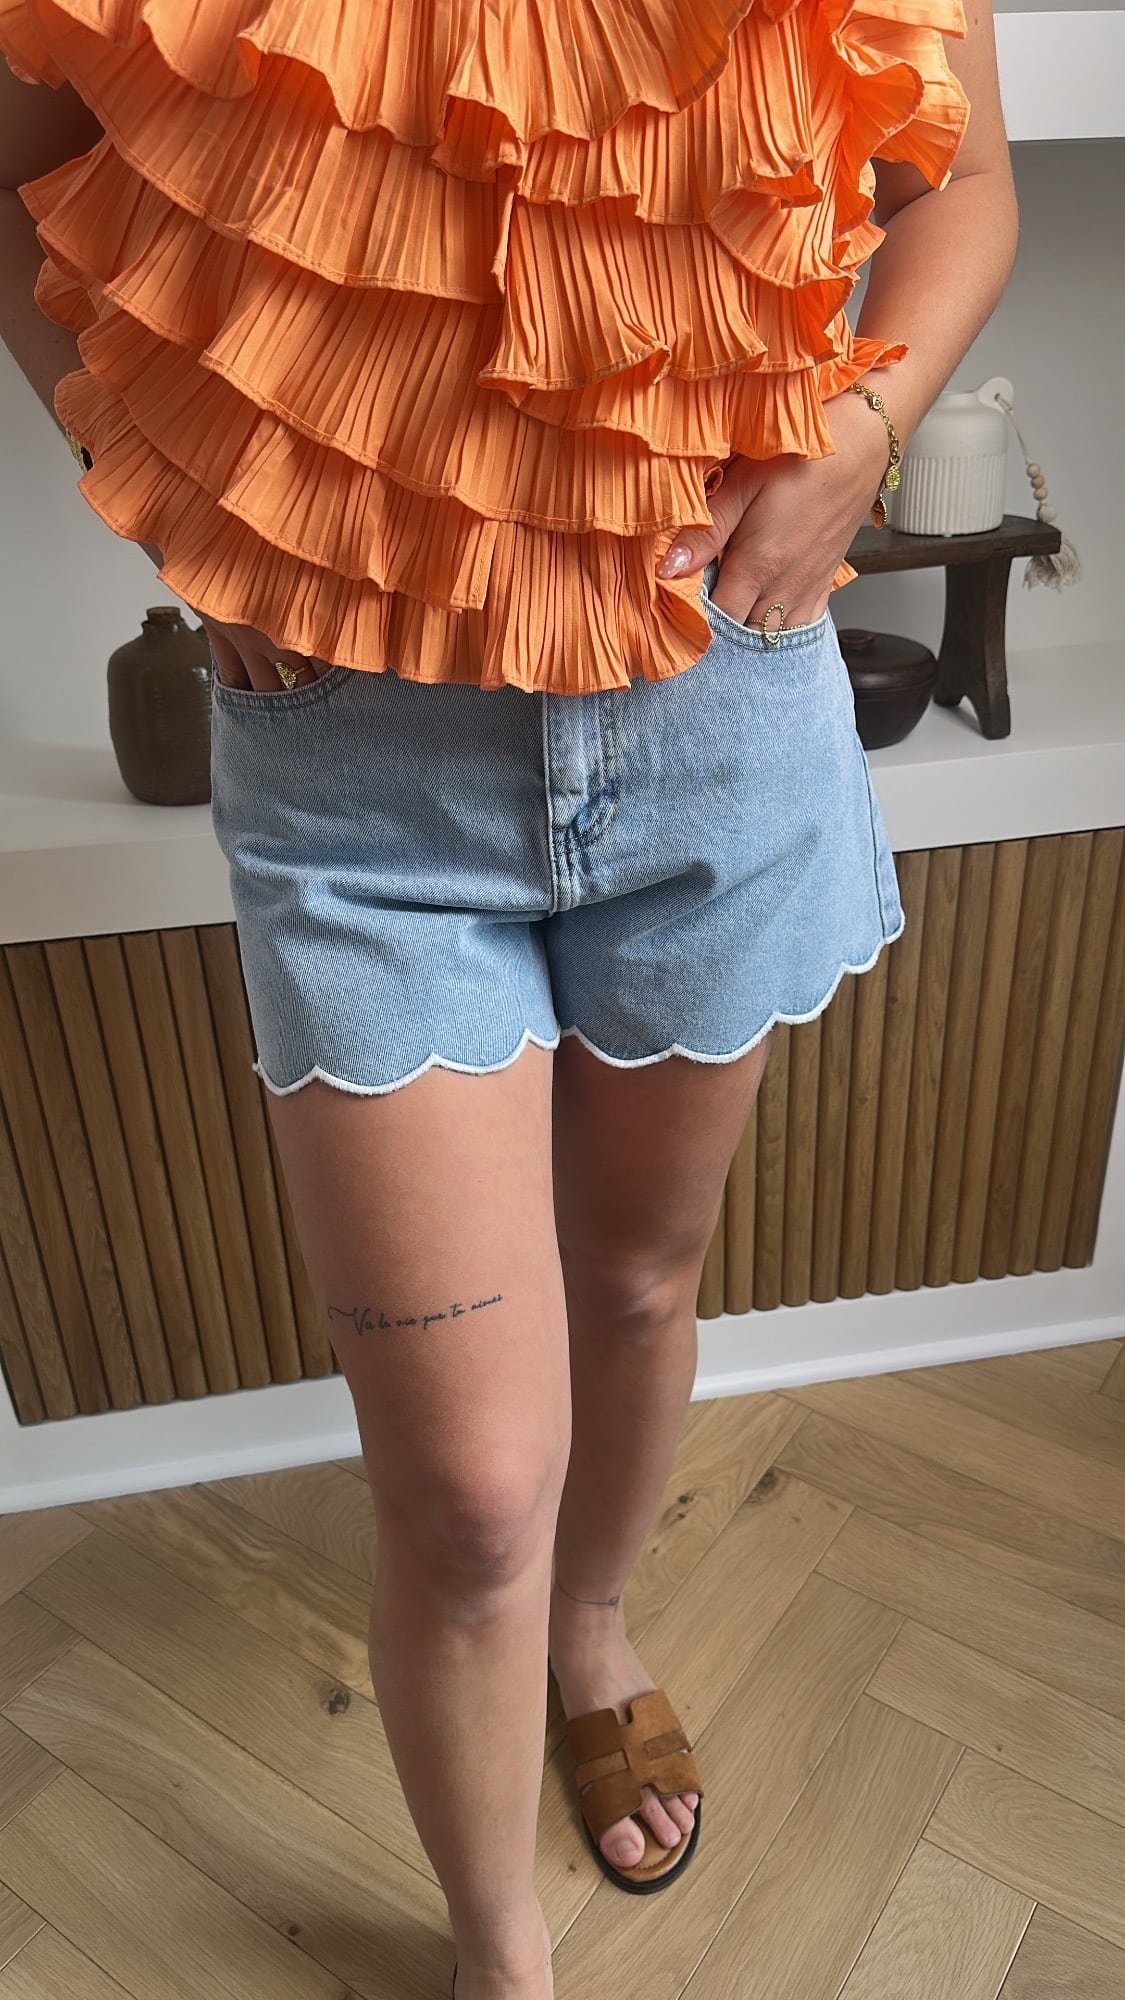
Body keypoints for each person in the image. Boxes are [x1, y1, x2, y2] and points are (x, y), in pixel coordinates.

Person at [0, 1, 1017, 1994]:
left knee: (637, 1277)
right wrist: (152, 467)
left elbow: (959, 180)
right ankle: (498, 1952)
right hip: (353, 752)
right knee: (467, 1489)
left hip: (718, 683)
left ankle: (593, 1629)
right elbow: (21, 182)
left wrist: (863, 433)